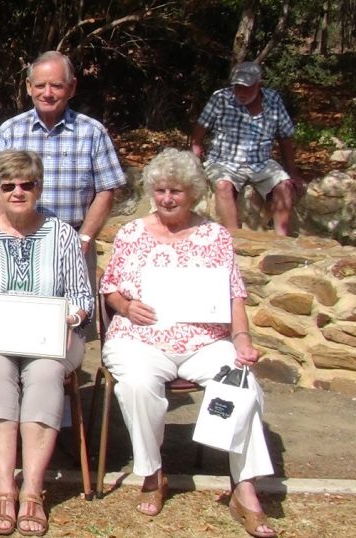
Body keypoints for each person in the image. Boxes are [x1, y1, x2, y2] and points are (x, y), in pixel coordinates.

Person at [99, 148, 276, 537]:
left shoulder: (214, 235)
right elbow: (109, 288)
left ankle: (244, 489)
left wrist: (242, 339)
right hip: (140, 337)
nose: (167, 198)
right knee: (136, 384)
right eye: (160, 190)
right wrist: (126, 307)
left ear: (193, 192)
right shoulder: (131, 233)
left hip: (203, 339)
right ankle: (153, 473)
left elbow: (234, 294)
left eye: (176, 191)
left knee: (242, 383)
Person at [0, 150, 93, 536]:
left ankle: (31, 491)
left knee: (45, 373)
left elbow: (83, 297)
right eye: (7, 185)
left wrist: (70, 319)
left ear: (38, 187)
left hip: (52, 339)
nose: (16, 192)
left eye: (26, 184)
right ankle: (3, 489)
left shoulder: (62, 234)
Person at [0, 51, 126, 261]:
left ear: (72, 88)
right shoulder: (10, 131)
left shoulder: (93, 132)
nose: (47, 93)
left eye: (56, 86)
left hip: (74, 244)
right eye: (40, 86)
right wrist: (1, 236)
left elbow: (106, 191)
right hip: (17, 242)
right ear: (29, 87)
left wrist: (84, 238)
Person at [191, 61, 304, 237]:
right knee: (223, 186)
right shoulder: (220, 98)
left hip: (261, 162)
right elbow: (199, 131)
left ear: (259, 85)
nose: (241, 92)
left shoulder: (273, 100)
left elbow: (285, 137)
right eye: (238, 87)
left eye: (247, 88)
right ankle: (234, 239)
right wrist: (195, 160)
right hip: (223, 161)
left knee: (285, 185)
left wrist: (292, 171)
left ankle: (283, 239)